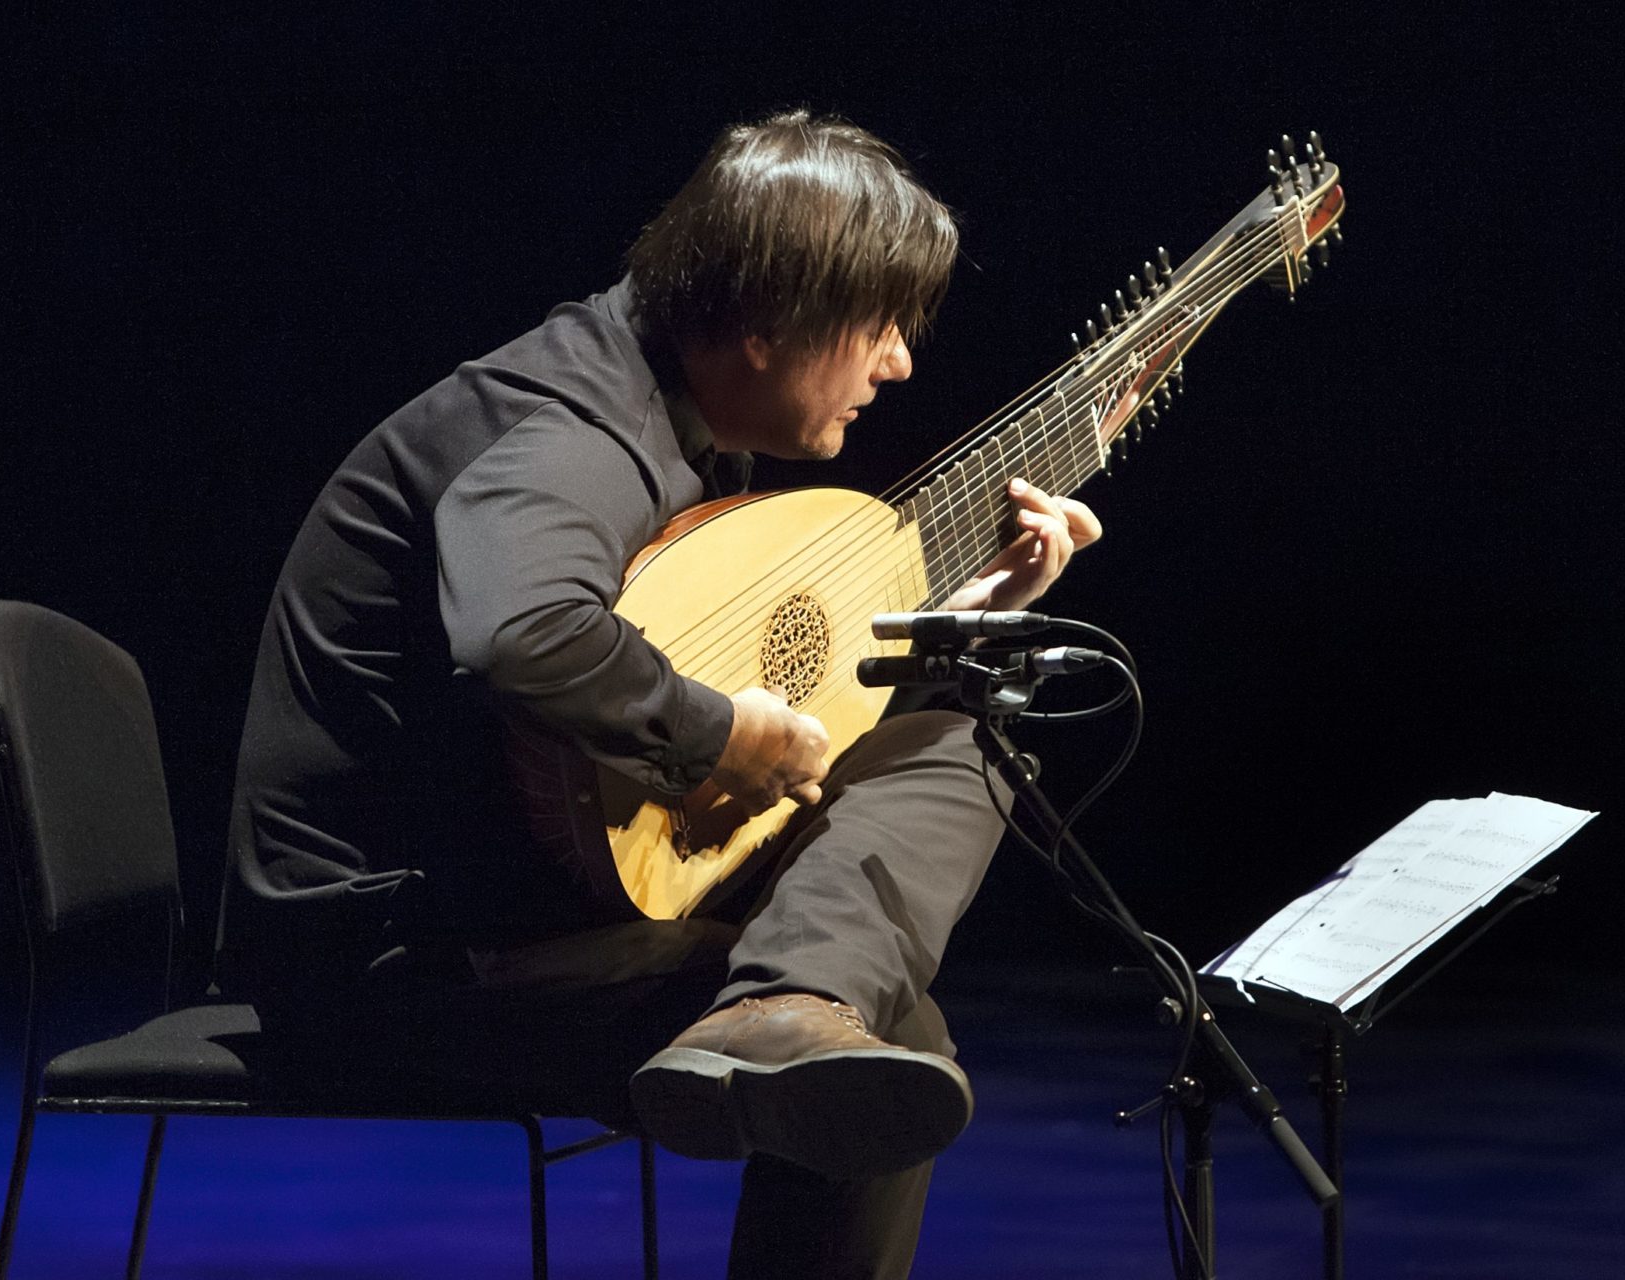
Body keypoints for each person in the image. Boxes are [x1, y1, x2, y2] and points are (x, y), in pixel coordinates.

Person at [215, 109, 1100, 1278]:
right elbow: (520, 633)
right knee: (888, 1045)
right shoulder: (573, 432)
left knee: (957, 739)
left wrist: (973, 608)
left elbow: (686, 644)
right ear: (765, 325)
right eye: (877, 325)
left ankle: (796, 993)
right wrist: (721, 734)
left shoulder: (663, 408)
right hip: (393, 963)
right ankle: (799, 996)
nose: (899, 362)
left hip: (517, 896)